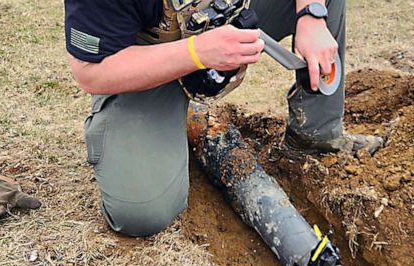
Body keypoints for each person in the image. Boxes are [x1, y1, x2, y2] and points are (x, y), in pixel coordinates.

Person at [65, 0, 383, 237]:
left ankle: (316, 133)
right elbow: (91, 70)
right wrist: (196, 54)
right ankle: (175, 116)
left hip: (227, 17)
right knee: (142, 211)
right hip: (149, 58)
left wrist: (312, 14)